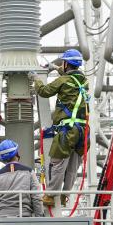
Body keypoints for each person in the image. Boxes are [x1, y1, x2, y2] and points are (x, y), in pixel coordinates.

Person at [32, 48, 89, 208]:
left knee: (58, 163)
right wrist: (56, 68)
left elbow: (43, 91)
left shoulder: (63, 81)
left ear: (66, 64)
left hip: (67, 131)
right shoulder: (84, 81)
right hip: (83, 131)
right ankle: (65, 195)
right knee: (73, 165)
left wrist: (36, 78)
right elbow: (70, 78)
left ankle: (50, 195)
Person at [0, 140, 45, 218]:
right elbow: (36, 198)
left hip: (2, 219)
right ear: (16, 153)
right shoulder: (29, 172)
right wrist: (40, 218)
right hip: (24, 217)